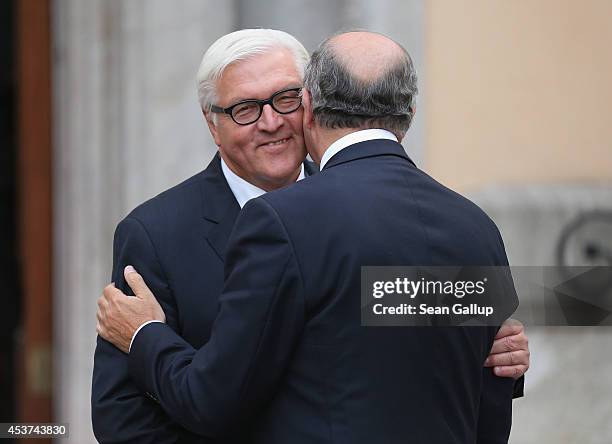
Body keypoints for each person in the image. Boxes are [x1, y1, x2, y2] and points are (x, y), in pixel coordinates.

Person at [93, 29, 529, 443]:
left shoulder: (395, 217)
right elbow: (121, 417)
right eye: (245, 108)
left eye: (285, 100)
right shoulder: (153, 234)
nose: (270, 122)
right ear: (212, 124)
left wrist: (493, 355)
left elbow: (392, 332)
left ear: (309, 102)